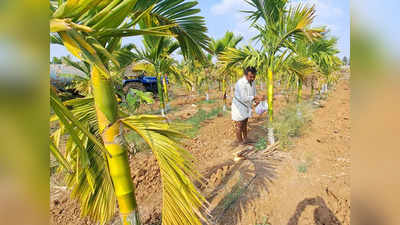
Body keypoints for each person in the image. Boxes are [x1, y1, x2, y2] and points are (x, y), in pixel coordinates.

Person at [231, 66, 263, 146]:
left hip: (246, 105)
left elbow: (254, 92)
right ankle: (240, 142)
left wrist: (256, 100)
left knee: (245, 122)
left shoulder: (252, 82)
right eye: (250, 77)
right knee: (239, 124)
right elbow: (244, 97)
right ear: (245, 75)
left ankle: (246, 139)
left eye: (254, 76)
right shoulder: (240, 83)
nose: (252, 78)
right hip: (239, 106)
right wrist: (255, 98)